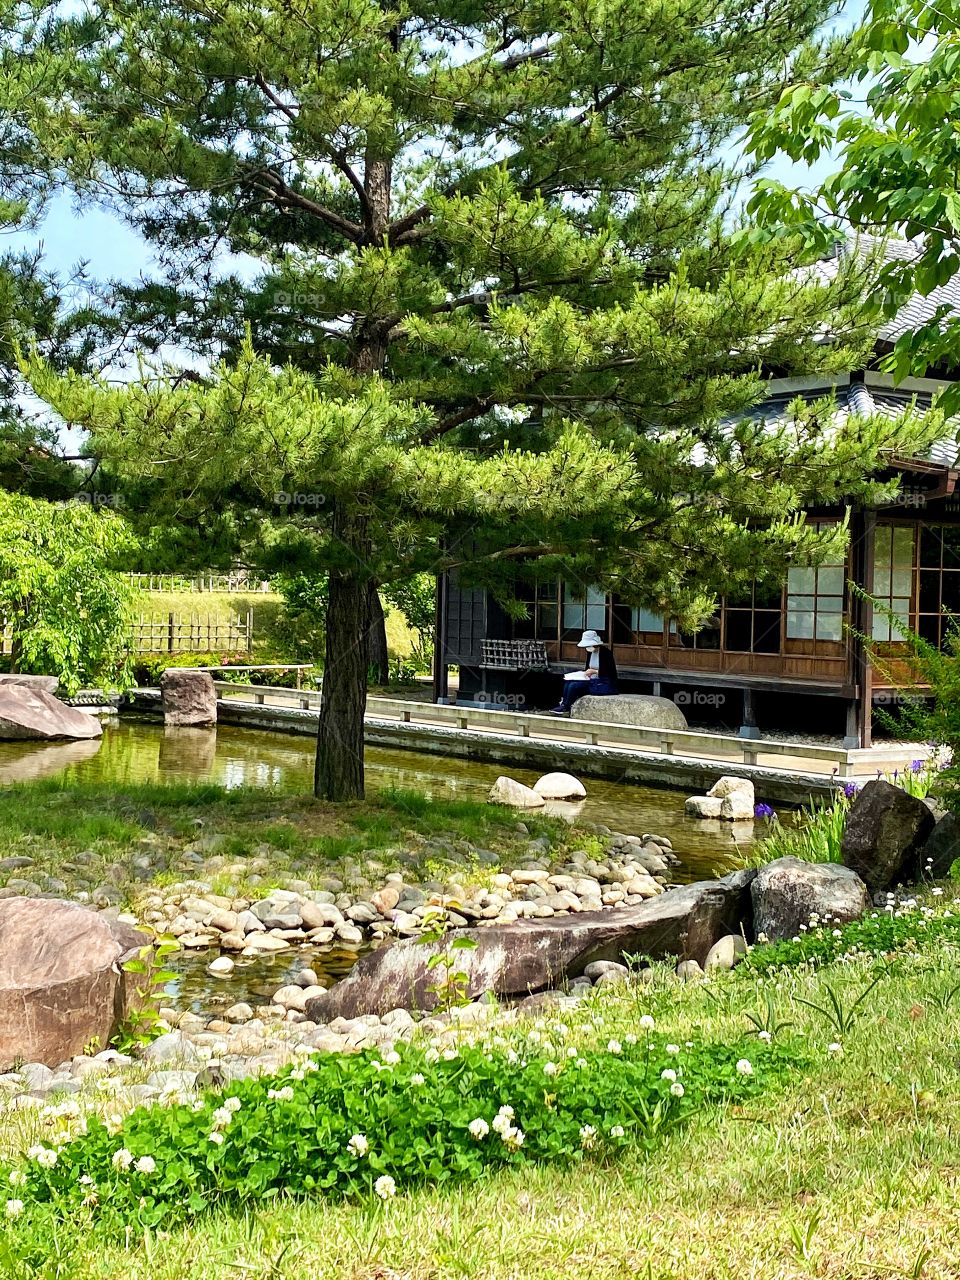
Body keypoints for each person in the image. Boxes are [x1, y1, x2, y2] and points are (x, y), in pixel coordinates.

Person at [549, 629, 618, 715]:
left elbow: (611, 673)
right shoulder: (590, 653)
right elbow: (587, 668)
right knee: (568, 683)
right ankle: (563, 704)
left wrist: (595, 671)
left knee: (574, 686)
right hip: (591, 680)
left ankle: (566, 706)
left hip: (603, 682)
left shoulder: (606, 653)